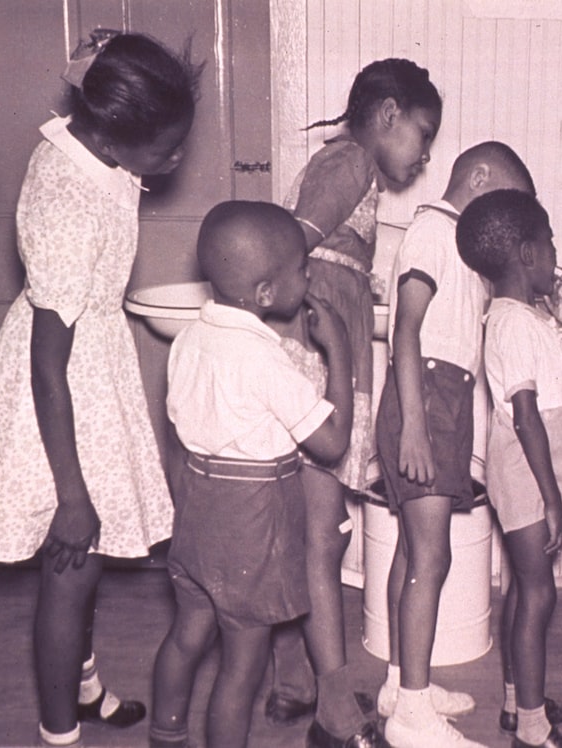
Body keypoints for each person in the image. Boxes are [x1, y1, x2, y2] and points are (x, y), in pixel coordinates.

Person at [0, 30, 200, 748]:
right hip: (56, 395)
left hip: (94, 367)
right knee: (73, 564)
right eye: (168, 149)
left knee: (90, 562)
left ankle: (81, 686)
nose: (176, 161)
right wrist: (72, 492)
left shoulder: (98, 147)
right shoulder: (66, 199)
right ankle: (59, 734)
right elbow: (48, 367)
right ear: (115, 134)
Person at [147, 201, 380, 748]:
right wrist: (339, 354)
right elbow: (331, 442)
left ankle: (166, 735)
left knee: (186, 637)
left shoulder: (188, 342)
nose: (309, 276)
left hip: (197, 510)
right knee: (242, 664)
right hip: (250, 523)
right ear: (267, 293)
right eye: (303, 268)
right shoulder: (266, 358)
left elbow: (182, 423)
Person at [263, 57, 444, 740]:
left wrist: (347, 279)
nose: (423, 154)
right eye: (422, 135)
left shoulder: (346, 165)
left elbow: (317, 252)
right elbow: (287, 252)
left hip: (318, 358)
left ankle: (295, 681)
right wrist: (327, 321)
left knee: (307, 534)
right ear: (389, 115)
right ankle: (334, 706)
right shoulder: (351, 165)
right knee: (318, 537)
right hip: (317, 366)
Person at [374, 143, 537, 748]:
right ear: (480, 178)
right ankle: (411, 718)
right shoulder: (432, 233)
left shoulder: (454, 243)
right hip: (427, 403)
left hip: (443, 400)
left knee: (412, 554)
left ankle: (400, 684)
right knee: (432, 558)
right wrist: (416, 425)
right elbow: (407, 329)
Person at [455, 189, 562, 748]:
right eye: (551, 243)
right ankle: (533, 729)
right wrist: (552, 500)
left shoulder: (519, 316)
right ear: (529, 254)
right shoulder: (511, 324)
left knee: (523, 588)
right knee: (539, 595)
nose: (556, 253)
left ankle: (517, 701)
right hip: (530, 470)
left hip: (532, 466)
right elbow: (528, 416)